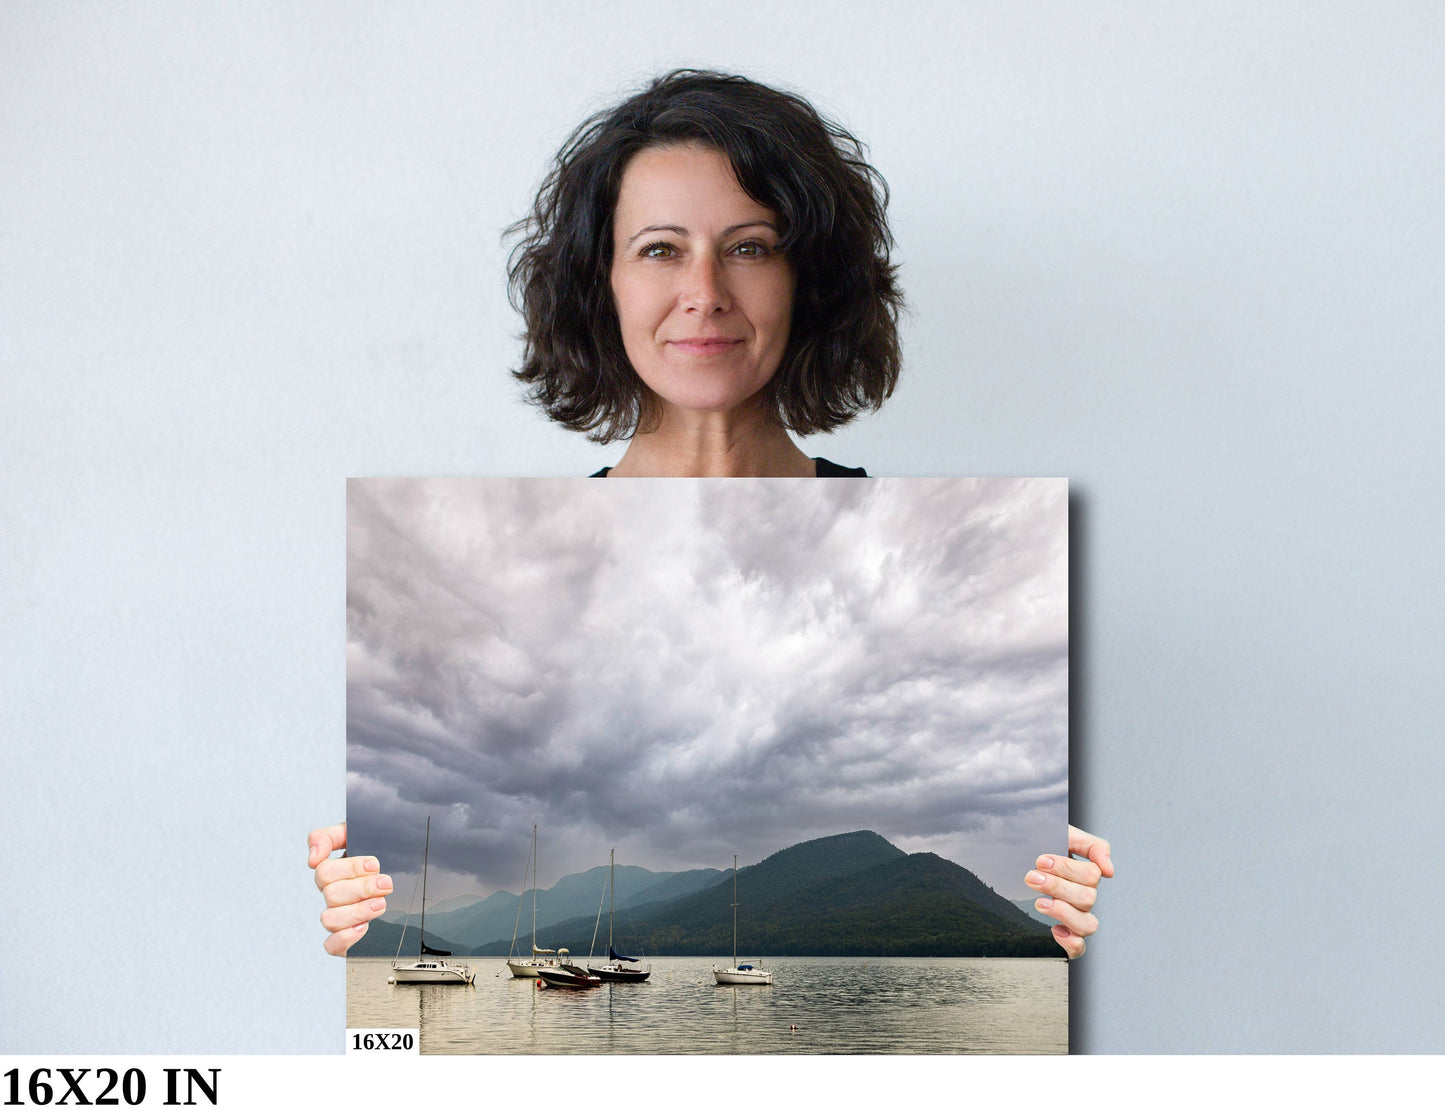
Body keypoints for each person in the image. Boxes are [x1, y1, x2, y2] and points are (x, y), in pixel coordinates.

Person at [309, 69, 1113, 959]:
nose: (705, 291)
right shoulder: (482, 586)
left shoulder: (949, 565)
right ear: (601, 282)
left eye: (750, 246)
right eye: (659, 249)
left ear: (807, 280)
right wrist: (359, 922)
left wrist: (1064, 920)